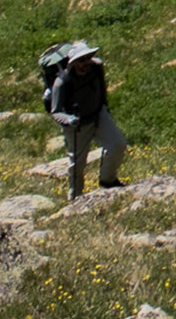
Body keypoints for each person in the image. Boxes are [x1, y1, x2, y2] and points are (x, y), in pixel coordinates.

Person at [46, 40, 127, 199]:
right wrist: (68, 120)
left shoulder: (97, 68)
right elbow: (55, 112)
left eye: (88, 58)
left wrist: (104, 108)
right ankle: (74, 198)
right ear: (73, 63)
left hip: (98, 115)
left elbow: (102, 89)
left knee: (118, 144)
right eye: (81, 60)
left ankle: (107, 180)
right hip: (76, 126)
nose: (86, 64)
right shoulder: (62, 82)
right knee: (77, 165)